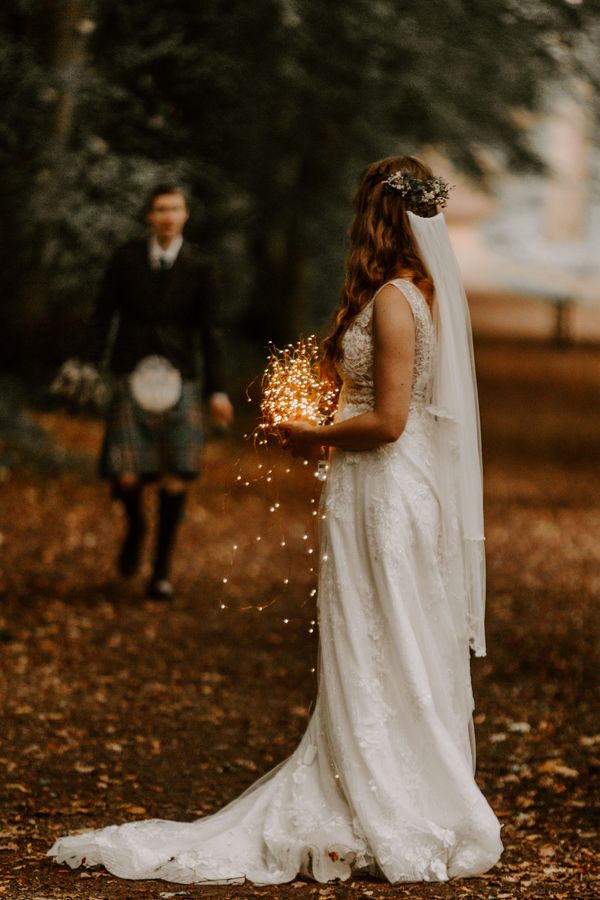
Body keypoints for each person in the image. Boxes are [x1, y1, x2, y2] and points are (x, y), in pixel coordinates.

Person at [48, 156, 503, 884]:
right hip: (396, 485)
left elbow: (387, 421)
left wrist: (311, 434)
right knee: (397, 635)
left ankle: (381, 796)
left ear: (377, 216)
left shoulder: (391, 297)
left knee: (375, 633)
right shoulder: (426, 294)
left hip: (384, 486)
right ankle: (398, 784)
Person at [81, 184, 233, 599]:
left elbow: (210, 331)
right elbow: (102, 314)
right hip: (130, 373)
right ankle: (136, 526)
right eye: (160, 209)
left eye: (175, 208)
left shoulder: (201, 265)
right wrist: (88, 364)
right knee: (126, 475)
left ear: (185, 215)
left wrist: (217, 390)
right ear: (149, 215)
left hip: (180, 376)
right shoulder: (126, 258)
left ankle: (161, 572)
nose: (168, 215)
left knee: (175, 477)